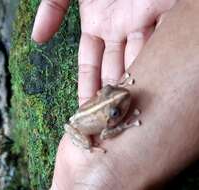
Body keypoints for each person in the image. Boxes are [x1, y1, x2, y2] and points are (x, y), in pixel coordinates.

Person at [32, 0, 199, 189]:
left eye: (110, 90)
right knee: (87, 143)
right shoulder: (106, 126)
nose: (124, 97)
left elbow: (106, 95)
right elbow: (105, 133)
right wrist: (123, 126)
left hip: (87, 114)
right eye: (116, 113)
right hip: (79, 126)